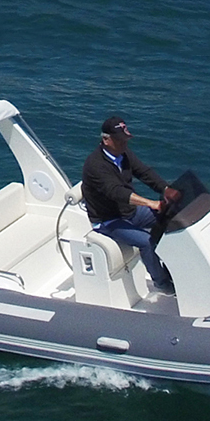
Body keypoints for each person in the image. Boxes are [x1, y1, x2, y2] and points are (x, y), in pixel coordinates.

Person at [81, 115, 180, 292]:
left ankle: (173, 270)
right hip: (108, 220)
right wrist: (151, 203)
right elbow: (117, 192)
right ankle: (163, 284)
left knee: (171, 218)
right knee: (146, 241)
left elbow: (144, 172)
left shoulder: (123, 154)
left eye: (125, 140)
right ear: (106, 140)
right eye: (120, 140)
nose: (124, 144)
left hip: (129, 212)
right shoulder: (95, 165)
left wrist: (165, 189)